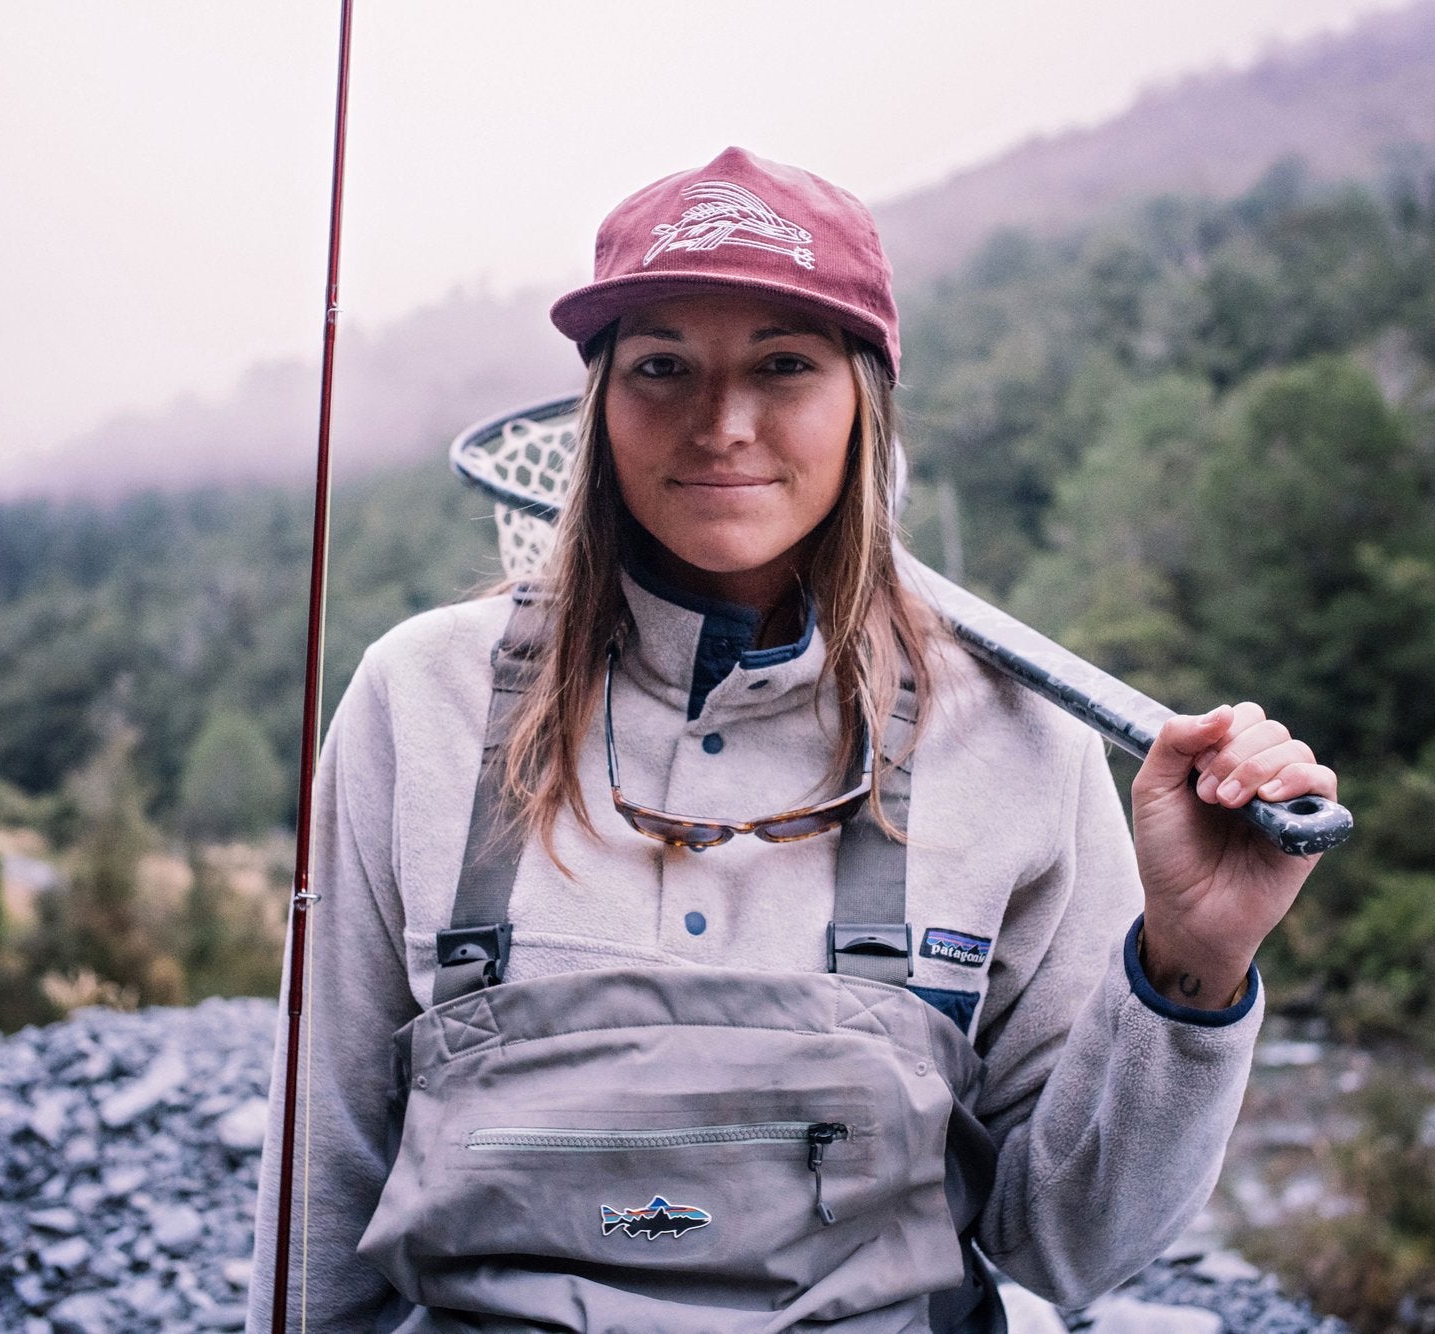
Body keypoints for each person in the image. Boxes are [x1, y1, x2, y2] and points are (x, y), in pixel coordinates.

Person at [248, 147, 1337, 1333]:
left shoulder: (1026, 741)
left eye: (783, 365)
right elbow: (324, 1195)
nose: (721, 424)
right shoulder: (420, 697)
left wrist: (1192, 965)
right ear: (598, 406)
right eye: (662, 365)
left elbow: (1066, 1248)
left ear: (862, 402)